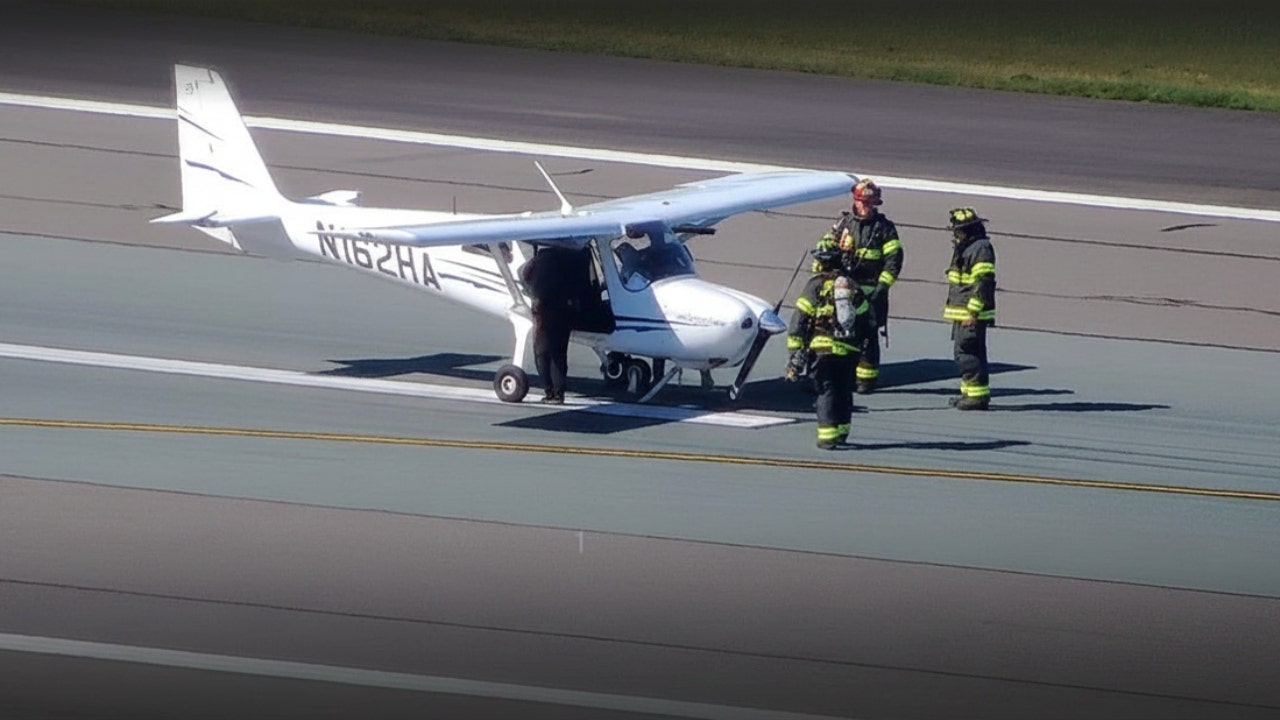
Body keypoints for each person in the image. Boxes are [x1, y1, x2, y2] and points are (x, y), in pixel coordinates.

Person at [786, 237, 874, 449]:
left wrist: (795, 353)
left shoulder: (814, 285)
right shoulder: (852, 286)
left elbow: (799, 320)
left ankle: (827, 436)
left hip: (823, 349)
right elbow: (867, 320)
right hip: (849, 350)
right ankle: (842, 432)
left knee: (826, 390)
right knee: (844, 390)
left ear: (822, 262)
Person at [819, 179, 903, 394]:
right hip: (845, 289)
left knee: (867, 336)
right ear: (855, 201)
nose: (867, 207)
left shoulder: (884, 229)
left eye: (871, 203)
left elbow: (893, 261)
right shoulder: (844, 225)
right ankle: (841, 375)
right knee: (838, 332)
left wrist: (882, 287)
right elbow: (824, 246)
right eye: (863, 202)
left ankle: (866, 380)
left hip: (872, 290)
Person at [943, 207, 997, 410]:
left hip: (971, 313)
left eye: (958, 231)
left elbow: (983, 283)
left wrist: (973, 312)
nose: (956, 234)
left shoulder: (980, 249)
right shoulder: (968, 247)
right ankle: (970, 393)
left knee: (968, 352)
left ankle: (976, 396)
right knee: (965, 352)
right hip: (963, 311)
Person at [519, 245, 580, 404]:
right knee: (559, 354)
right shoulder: (567, 264)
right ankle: (558, 392)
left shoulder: (538, 264)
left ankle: (551, 392)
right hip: (563, 312)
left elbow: (523, 275)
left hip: (544, 314)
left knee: (542, 354)